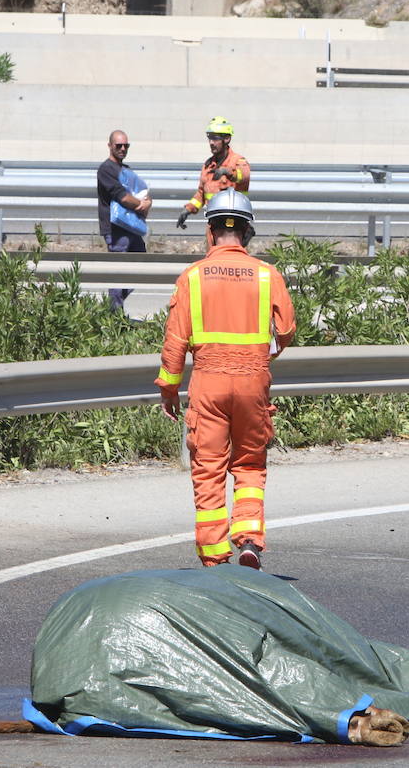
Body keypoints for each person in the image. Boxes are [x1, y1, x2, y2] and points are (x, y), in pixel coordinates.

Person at [154, 190, 296, 571]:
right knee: (249, 464)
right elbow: (286, 330)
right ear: (247, 234)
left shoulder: (192, 277)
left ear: (210, 232)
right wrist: (264, 355)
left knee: (209, 467)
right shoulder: (268, 275)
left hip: (209, 383)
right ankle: (249, 540)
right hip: (253, 382)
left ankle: (215, 557)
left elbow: (175, 340)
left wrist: (169, 387)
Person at [95, 129, 152, 312]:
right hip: (115, 229)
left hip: (132, 228)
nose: (122, 148)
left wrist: (147, 202)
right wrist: (141, 205)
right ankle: (114, 317)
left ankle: (112, 308)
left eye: (125, 145)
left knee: (140, 267)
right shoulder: (106, 169)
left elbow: (142, 191)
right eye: (118, 145)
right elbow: (123, 197)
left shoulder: (126, 170)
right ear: (110, 145)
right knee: (118, 273)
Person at [177, 117, 251, 229]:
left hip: (235, 221)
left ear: (226, 139)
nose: (211, 143)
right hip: (214, 221)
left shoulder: (238, 161)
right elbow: (201, 193)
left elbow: (244, 177)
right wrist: (188, 209)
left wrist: (227, 172)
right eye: (210, 138)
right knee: (212, 246)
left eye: (215, 139)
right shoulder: (208, 165)